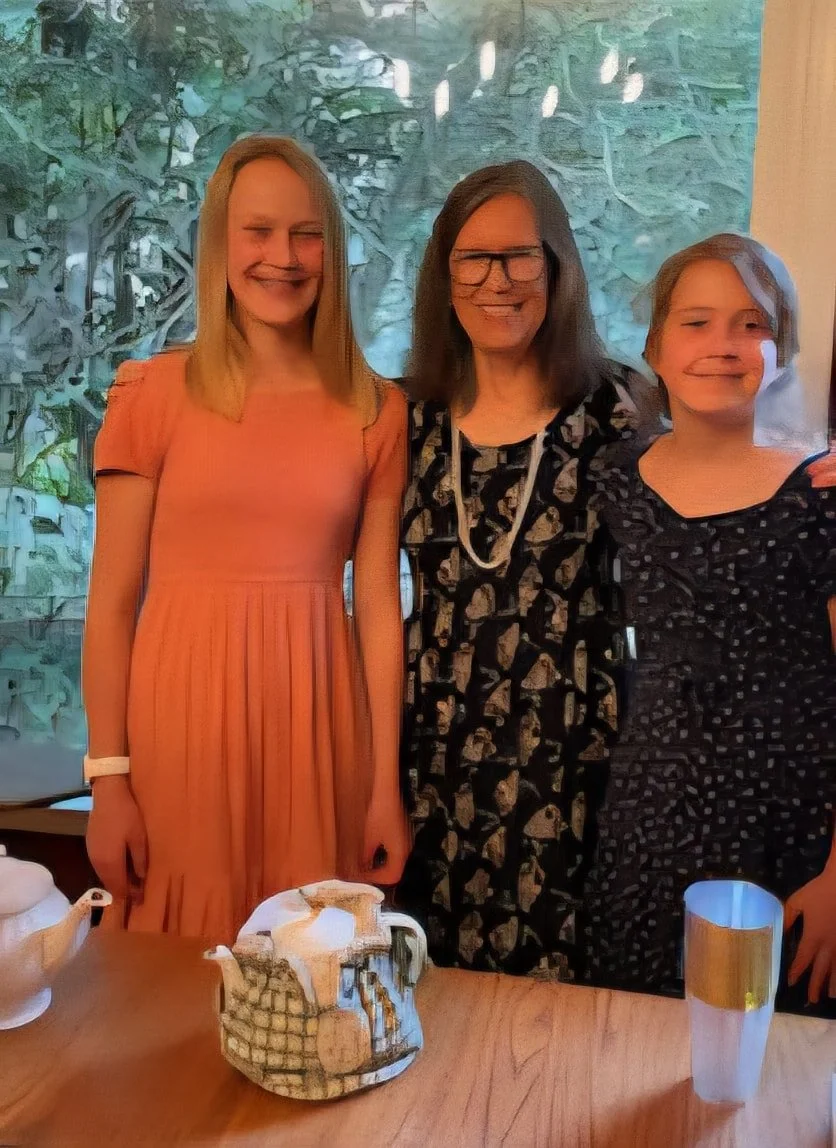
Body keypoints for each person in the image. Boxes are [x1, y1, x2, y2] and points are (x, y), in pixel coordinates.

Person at [82, 135, 409, 941]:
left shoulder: (377, 409)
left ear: (331, 251)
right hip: (177, 736)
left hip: (319, 732)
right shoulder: (151, 394)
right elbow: (111, 605)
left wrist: (382, 787)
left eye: (306, 235)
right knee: (165, 991)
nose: (283, 257)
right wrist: (108, 781)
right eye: (257, 232)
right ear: (220, 245)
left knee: (309, 990)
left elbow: (376, 608)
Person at [394, 160, 646, 980]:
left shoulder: (620, 408)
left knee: (567, 1024)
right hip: (435, 755)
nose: (497, 280)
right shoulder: (407, 416)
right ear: (444, 274)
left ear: (557, 265)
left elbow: (716, 499)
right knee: (438, 1009)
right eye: (473, 258)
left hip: (576, 758)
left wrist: (805, 473)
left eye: (519, 256)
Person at [585, 234, 835, 1011]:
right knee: (632, 1048)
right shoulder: (618, 479)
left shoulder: (819, 491)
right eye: (696, 323)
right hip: (651, 818)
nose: (722, 346)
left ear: (782, 348)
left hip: (789, 827)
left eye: (751, 324)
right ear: (656, 345)